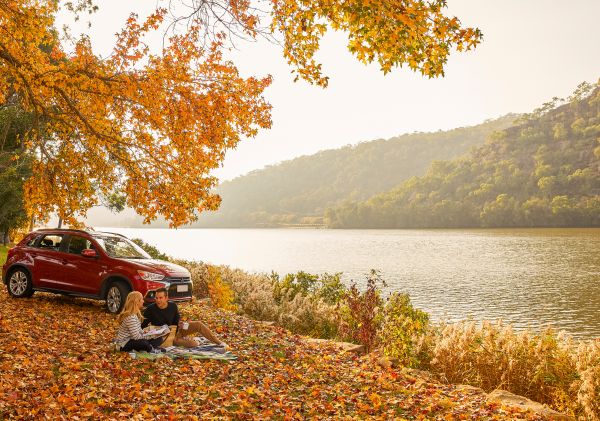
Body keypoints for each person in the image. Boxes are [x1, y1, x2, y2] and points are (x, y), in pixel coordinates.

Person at [142, 287, 227, 348]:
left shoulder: (173, 306)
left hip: (177, 330)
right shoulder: (150, 309)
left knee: (198, 324)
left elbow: (176, 320)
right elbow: (143, 326)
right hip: (167, 337)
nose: (158, 300)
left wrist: (180, 323)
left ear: (166, 298)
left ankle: (219, 342)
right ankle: (197, 340)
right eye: (156, 298)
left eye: (160, 298)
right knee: (194, 344)